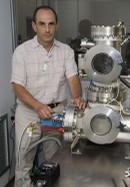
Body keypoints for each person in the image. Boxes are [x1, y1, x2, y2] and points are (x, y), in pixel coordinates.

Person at [11, 5, 87, 187]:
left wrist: (77, 97)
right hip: (29, 113)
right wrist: (38, 106)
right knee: (24, 161)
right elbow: (17, 87)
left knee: (54, 160)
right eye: (42, 24)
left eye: (51, 24)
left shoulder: (66, 51)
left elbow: (73, 78)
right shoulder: (22, 52)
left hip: (55, 113)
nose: (47, 29)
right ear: (34, 26)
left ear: (57, 26)